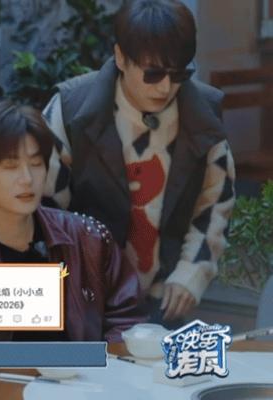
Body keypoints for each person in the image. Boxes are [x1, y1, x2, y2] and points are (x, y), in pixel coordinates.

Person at [42, 0, 235, 326]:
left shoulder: (204, 113)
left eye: (179, 74)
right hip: (85, 301)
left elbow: (215, 203)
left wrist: (192, 273)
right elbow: (46, 212)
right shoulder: (70, 110)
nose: (165, 87)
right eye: (153, 73)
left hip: (167, 302)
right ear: (120, 57)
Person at [0, 101, 146, 343]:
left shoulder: (88, 238)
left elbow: (128, 320)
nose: (27, 178)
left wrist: (102, 361)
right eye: (11, 166)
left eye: (36, 164)